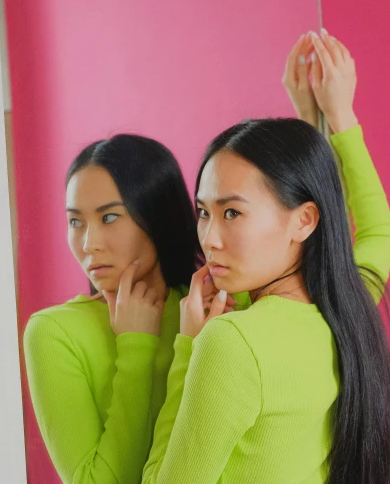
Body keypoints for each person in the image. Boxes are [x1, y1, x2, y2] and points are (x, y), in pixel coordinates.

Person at [142, 30, 390, 483]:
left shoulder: (229, 343)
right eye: (203, 212)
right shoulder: (347, 309)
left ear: (304, 221)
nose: (210, 238)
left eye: (232, 212)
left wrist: (188, 346)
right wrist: (335, 117)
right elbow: (379, 233)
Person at [23, 135, 236, 484]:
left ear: (157, 216)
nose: (89, 244)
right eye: (76, 221)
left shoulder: (208, 310)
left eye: (109, 218)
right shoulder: (53, 331)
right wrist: (136, 348)